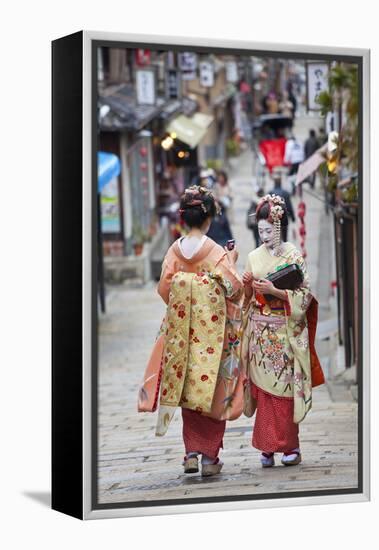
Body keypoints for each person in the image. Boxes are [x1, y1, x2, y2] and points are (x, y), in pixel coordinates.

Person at [147, 185, 244, 476]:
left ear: (184, 219)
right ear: (208, 219)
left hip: (181, 333)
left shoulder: (174, 250)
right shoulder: (215, 251)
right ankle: (210, 458)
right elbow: (234, 289)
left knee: (188, 388)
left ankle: (190, 452)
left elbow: (165, 289)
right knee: (213, 389)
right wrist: (232, 262)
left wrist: (185, 298)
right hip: (213, 335)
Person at [241, 194, 324, 468]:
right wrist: (246, 285)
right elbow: (245, 299)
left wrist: (275, 291)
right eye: (260, 230)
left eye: (268, 230)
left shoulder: (292, 254)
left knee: (285, 392)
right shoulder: (253, 257)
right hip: (261, 333)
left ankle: (290, 446)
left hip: (285, 331)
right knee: (265, 393)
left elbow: (304, 294)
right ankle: (266, 449)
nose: (264, 235)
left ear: (278, 226)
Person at [269, 174, 295, 240]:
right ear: (281, 183)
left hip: (273, 219)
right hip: (284, 218)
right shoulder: (285, 193)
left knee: (274, 238)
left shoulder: (270, 193)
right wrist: (293, 218)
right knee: (284, 238)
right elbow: (289, 206)